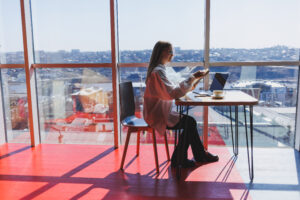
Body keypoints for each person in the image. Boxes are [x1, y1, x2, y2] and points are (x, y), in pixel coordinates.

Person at [143, 41, 219, 168]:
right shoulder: (158, 72)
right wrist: (193, 77)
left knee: (190, 122)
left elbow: (173, 89)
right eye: (170, 52)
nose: (172, 55)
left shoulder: (160, 70)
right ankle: (183, 158)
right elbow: (172, 93)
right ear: (162, 52)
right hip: (157, 114)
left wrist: (192, 80)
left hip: (159, 110)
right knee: (190, 123)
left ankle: (193, 156)